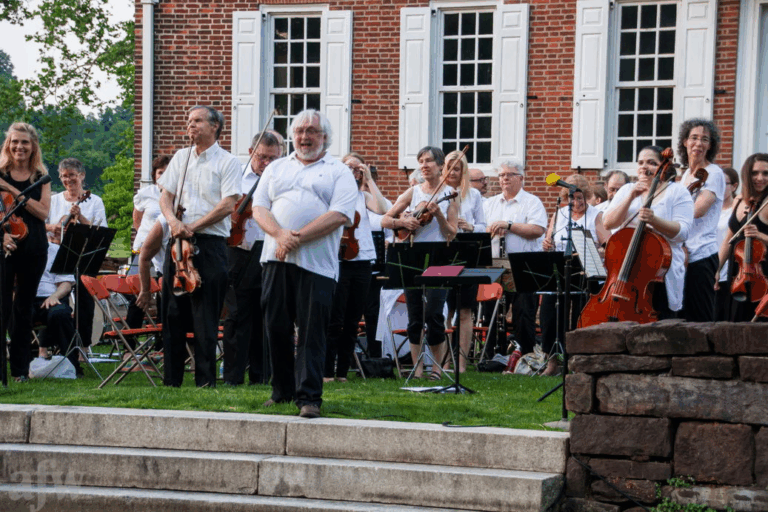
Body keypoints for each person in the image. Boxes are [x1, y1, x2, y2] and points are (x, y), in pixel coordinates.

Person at [253, 109, 357, 418]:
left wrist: (296, 237)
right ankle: (282, 391)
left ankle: (309, 397)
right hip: (275, 260)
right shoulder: (276, 169)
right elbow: (259, 209)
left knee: (312, 332)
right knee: (276, 328)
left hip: (317, 265)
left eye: (311, 131)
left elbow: (340, 214)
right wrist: (281, 235)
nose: (304, 136)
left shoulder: (338, 171)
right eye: (299, 131)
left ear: (325, 137)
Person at [158, 105, 242, 388]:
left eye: (197, 121)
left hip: (209, 245)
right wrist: (172, 221)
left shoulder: (228, 162)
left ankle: (205, 382)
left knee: (205, 316)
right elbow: (165, 196)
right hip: (177, 244)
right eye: (188, 120)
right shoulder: (181, 157)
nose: (190, 125)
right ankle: (172, 381)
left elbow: (227, 205)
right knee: (172, 314)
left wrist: (193, 227)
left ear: (215, 126)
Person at [381, 146, 458, 380]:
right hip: (412, 256)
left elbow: (451, 233)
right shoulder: (413, 192)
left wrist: (439, 216)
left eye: (429, 161)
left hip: (440, 258)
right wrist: (404, 222)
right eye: (421, 161)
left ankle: (436, 369)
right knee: (415, 315)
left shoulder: (451, 193)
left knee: (434, 314)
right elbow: (386, 219)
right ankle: (417, 369)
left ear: (440, 165)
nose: (424, 165)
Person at [603, 146, 694, 319]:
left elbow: (683, 232)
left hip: (660, 272)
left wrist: (654, 220)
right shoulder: (627, 189)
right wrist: (631, 196)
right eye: (641, 163)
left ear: (663, 167)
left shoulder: (677, 191)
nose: (645, 167)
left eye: (652, 163)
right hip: (625, 268)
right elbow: (608, 223)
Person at [221, 131, 283, 386]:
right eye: (262, 157)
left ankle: (261, 376)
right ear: (250, 153)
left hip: (269, 251)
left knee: (265, 316)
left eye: (272, 158)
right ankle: (233, 377)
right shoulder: (236, 179)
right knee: (236, 316)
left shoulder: (280, 179)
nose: (267, 163)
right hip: (239, 249)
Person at [324, 152, 388, 382]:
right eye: (348, 168)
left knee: (352, 320)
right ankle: (326, 372)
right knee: (335, 319)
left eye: (356, 169)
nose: (353, 173)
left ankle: (342, 372)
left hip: (363, 260)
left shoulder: (362, 195)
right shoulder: (333, 194)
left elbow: (383, 209)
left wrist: (369, 179)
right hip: (340, 260)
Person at [541, 174, 609, 375]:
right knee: (549, 313)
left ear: (587, 196)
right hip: (561, 272)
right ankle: (552, 362)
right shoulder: (559, 214)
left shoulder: (596, 215)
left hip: (586, 273)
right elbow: (549, 240)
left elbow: (609, 246)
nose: (576, 202)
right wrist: (547, 244)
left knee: (579, 317)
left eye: (580, 198)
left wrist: (594, 250)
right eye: (572, 198)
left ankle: (577, 362)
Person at [0, 123, 51, 382]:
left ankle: (20, 370)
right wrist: (2, 235)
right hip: (5, 245)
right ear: (8, 145)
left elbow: (43, 213)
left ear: (33, 147)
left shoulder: (40, 176)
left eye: (25, 143)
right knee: (2, 307)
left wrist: (11, 189)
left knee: (23, 308)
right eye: (15, 142)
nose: (19, 147)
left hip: (34, 248)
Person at [483, 160, 547, 356]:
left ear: (521, 178)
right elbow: (481, 229)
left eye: (509, 174)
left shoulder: (532, 202)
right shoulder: (490, 203)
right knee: (492, 312)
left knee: (523, 313)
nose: (504, 179)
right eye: (501, 175)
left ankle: (525, 355)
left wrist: (509, 225)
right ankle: (494, 354)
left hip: (523, 266)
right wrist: (491, 230)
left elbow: (537, 230)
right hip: (495, 265)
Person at [45, 157, 107, 350]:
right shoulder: (53, 200)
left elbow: (100, 232)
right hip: (55, 255)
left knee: (85, 302)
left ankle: (83, 346)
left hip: (83, 257)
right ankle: (57, 344)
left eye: (72, 175)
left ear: (82, 175)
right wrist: (53, 227)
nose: (68, 180)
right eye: (64, 176)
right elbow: (40, 225)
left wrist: (80, 216)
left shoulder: (94, 201)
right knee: (57, 298)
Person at [677, 119, 725, 322]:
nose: (698, 143)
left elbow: (698, 210)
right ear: (685, 142)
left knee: (701, 320)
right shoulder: (686, 174)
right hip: (682, 255)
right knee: (682, 316)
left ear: (710, 145)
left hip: (701, 255)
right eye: (694, 138)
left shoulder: (714, 173)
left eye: (705, 139)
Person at [444, 150, 486, 373]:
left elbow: (483, 226)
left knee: (465, 309)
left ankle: (461, 363)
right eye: (449, 167)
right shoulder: (438, 191)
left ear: (463, 171)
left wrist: (470, 227)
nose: (452, 172)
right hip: (444, 252)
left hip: (467, 253)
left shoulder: (474, 195)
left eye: (457, 168)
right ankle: (444, 361)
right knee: (445, 309)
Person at [716, 154, 768, 321]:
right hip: (738, 273)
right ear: (747, 174)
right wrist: (716, 270)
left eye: (766, 173)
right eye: (755, 173)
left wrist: (760, 235)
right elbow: (728, 240)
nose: (760, 178)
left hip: (762, 276)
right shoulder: (739, 200)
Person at [125, 155, 171, 329]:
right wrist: (147, 237)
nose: (163, 176)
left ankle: (161, 341)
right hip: (144, 246)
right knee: (136, 290)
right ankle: (130, 340)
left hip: (165, 249)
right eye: (160, 172)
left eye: (167, 172)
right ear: (154, 175)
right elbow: (137, 217)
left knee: (163, 293)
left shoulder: (176, 195)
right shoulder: (146, 193)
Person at [33, 239, 78, 373]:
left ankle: (72, 364)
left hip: (53, 296)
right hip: (26, 298)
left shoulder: (58, 250)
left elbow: (66, 284)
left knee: (60, 313)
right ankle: (20, 367)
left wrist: (54, 296)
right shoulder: (19, 250)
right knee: (16, 314)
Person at [714, 167, 739, 320]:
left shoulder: (735, 210)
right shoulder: (708, 209)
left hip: (725, 272)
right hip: (708, 269)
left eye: (724, 184)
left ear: (734, 186)